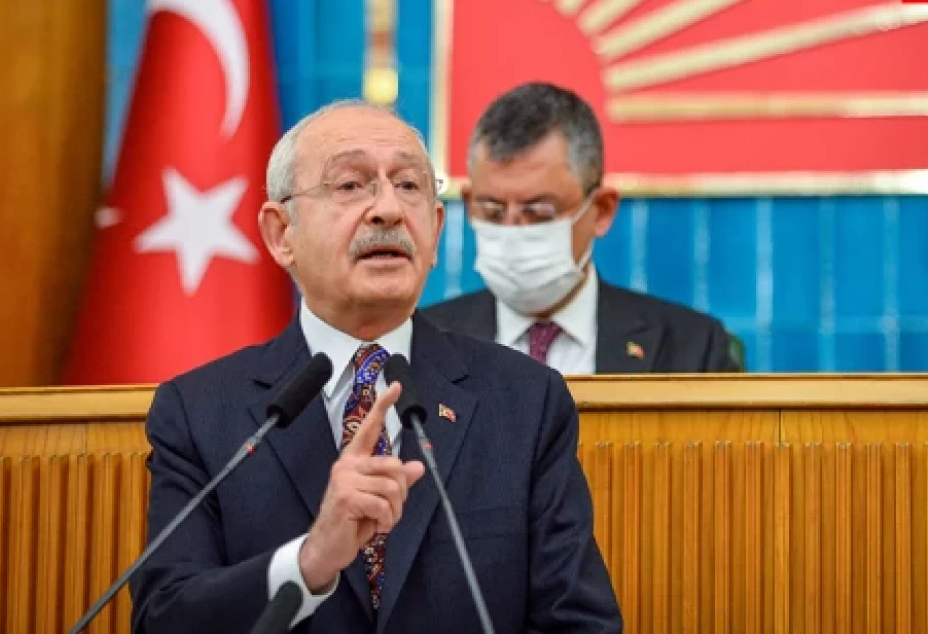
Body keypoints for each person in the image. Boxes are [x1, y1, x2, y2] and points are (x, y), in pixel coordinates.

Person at [128, 100, 622, 633]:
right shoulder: (199, 413)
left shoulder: (525, 401)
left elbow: (579, 622)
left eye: (408, 185)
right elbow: (164, 619)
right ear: (281, 233)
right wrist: (309, 562)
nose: (387, 209)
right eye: (350, 184)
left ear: (435, 230)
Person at [423, 82, 743, 375]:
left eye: (538, 212)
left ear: (601, 210)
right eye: (492, 210)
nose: (512, 230)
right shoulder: (423, 344)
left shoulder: (691, 349)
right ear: (469, 204)